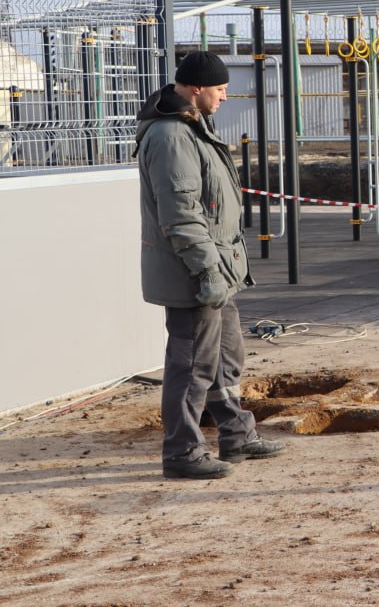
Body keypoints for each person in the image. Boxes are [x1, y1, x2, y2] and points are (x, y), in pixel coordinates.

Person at [135, 50, 285, 479]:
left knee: (224, 355)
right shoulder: (171, 136)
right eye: (220, 89)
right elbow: (181, 214)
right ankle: (182, 453)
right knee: (191, 365)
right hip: (193, 273)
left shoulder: (192, 126)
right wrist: (205, 271)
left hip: (217, 268)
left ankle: (236, 433)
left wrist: (220, 270)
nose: (225, 96)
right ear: (196, 88)